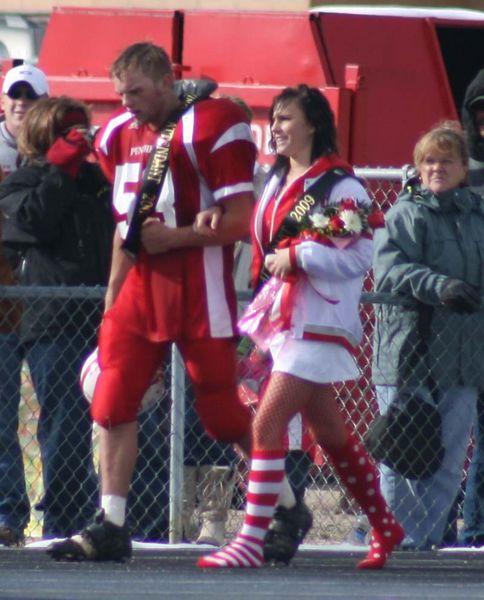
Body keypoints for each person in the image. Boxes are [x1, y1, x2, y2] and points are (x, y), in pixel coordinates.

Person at [46, 41, 258, 562]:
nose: (127, 103)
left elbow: (240, 220)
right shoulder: (118, 135)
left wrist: (180, 236)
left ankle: (286, 504)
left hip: (199, 283)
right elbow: (127, 229)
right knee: (112, 399)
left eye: (137, 91)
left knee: (221, 414)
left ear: (167, 80)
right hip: (141, 286)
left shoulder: (211, 124)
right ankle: (111, 523)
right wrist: (113, 298)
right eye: (120, 94)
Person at [196, 84, 404, 570]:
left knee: (266, 423)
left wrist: (300, 255)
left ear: (312, 123)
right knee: (331, 435)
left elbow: (361, 255)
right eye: (276, 119)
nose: (278, 128)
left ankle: (251, 537)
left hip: (318, 322)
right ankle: (384, 523)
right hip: (282, 323)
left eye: (287, 118)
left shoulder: (340, 187)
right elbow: (257, 237)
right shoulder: (273, 181)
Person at [0, 96, 113, 545]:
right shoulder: (20, 184)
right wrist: (59, 170)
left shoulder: (97, 181)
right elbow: (34, 221)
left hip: (93, 314)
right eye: (69, 132)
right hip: (43, 317)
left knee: (88, 421)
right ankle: (36, 518)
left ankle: (84, 518)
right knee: (40, 423)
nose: (79, 138)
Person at [372, 121, 484, 550]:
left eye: (446, 161)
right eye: (428, 161)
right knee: (403, 453)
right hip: (409, 354)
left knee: (450, 457)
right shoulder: (405, 212)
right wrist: (440, 286)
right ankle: (396, 540)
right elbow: (389, 270)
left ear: (463, 168)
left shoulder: (477, 217)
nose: (437, 168)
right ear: (418, 168)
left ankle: (428, 540)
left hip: (462, 355)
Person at [459, 69, 484, 547]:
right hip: (459, 321)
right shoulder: (458, 171)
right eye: (480, 118)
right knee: (448, 432)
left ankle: (476, 528)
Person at [0, 64, 49, 177]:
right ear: (2, 101)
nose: (21, 102)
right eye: (15, 94)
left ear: (46, 103)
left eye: (31, 95)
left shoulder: (57, 146)